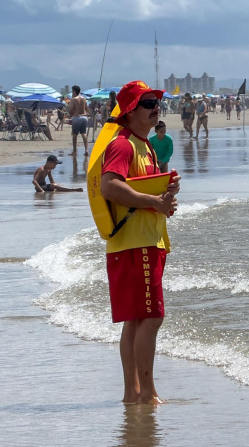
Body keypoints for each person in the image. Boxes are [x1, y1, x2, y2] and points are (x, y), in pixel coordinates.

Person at [100, 80, 180, 406]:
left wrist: (165, 197)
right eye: (148, 103)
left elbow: (139, 192)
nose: (155, 108)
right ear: (131, 111)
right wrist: (155, 202)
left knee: (136, 318)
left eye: (156, 102)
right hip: (136, 246)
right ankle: (147, 393)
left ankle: (133, 393)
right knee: (151, 316)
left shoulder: (143, 145)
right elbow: (109, 187)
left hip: (141, 243)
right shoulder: (123, 145)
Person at [68, 85, 90, 156]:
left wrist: (70, 115)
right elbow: (86, 109)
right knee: (83, 133)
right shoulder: (84, 99)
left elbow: (71, 109)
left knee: (74, 134)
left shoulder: (73, 99)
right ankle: (86, 150)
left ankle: (74, 151)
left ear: (74, 91)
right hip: (84, 117)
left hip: (77, 117)